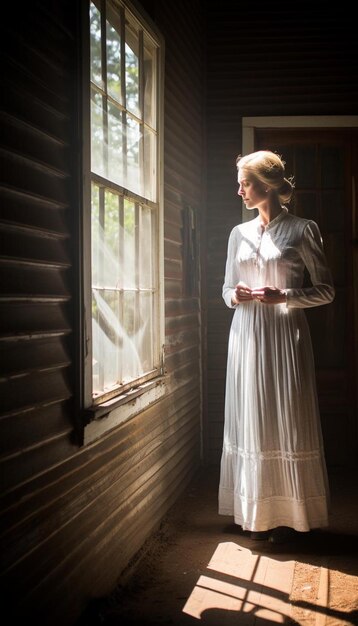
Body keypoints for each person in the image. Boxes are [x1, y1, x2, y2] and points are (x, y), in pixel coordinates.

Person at [218, 150, 335, 543]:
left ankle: (289, 516)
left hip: (284, 335)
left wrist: (283, 295)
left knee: (285, 415)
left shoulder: (303, 230)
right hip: (246, 333)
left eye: (244, 183)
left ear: (266, 185)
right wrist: (235, 294)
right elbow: (224, 288)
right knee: (251, 415)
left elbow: (326, 291)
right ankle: (255, 512)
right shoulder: (239, 233)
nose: (239, 190)